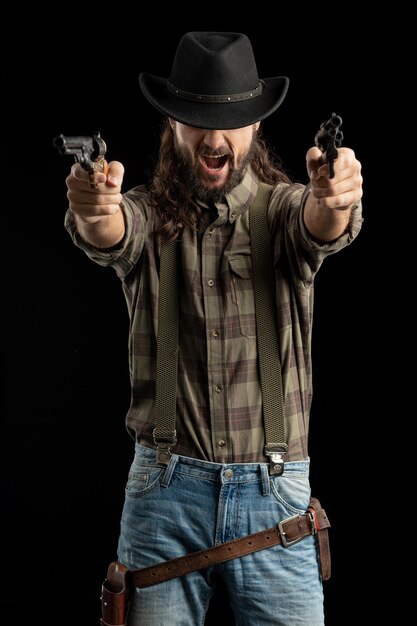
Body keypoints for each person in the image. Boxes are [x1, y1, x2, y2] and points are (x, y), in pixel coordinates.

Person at [64, 31, 363, 626]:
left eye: (230, 120)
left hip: (275, 503)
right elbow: (112, 230)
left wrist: (335, 197)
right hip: (163, 498)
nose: (213, 136)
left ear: (254, 127)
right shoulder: (146, 214)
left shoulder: (282, 211)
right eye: (196, 118)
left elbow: (320, 223)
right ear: (173, 125)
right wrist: (94, 211)